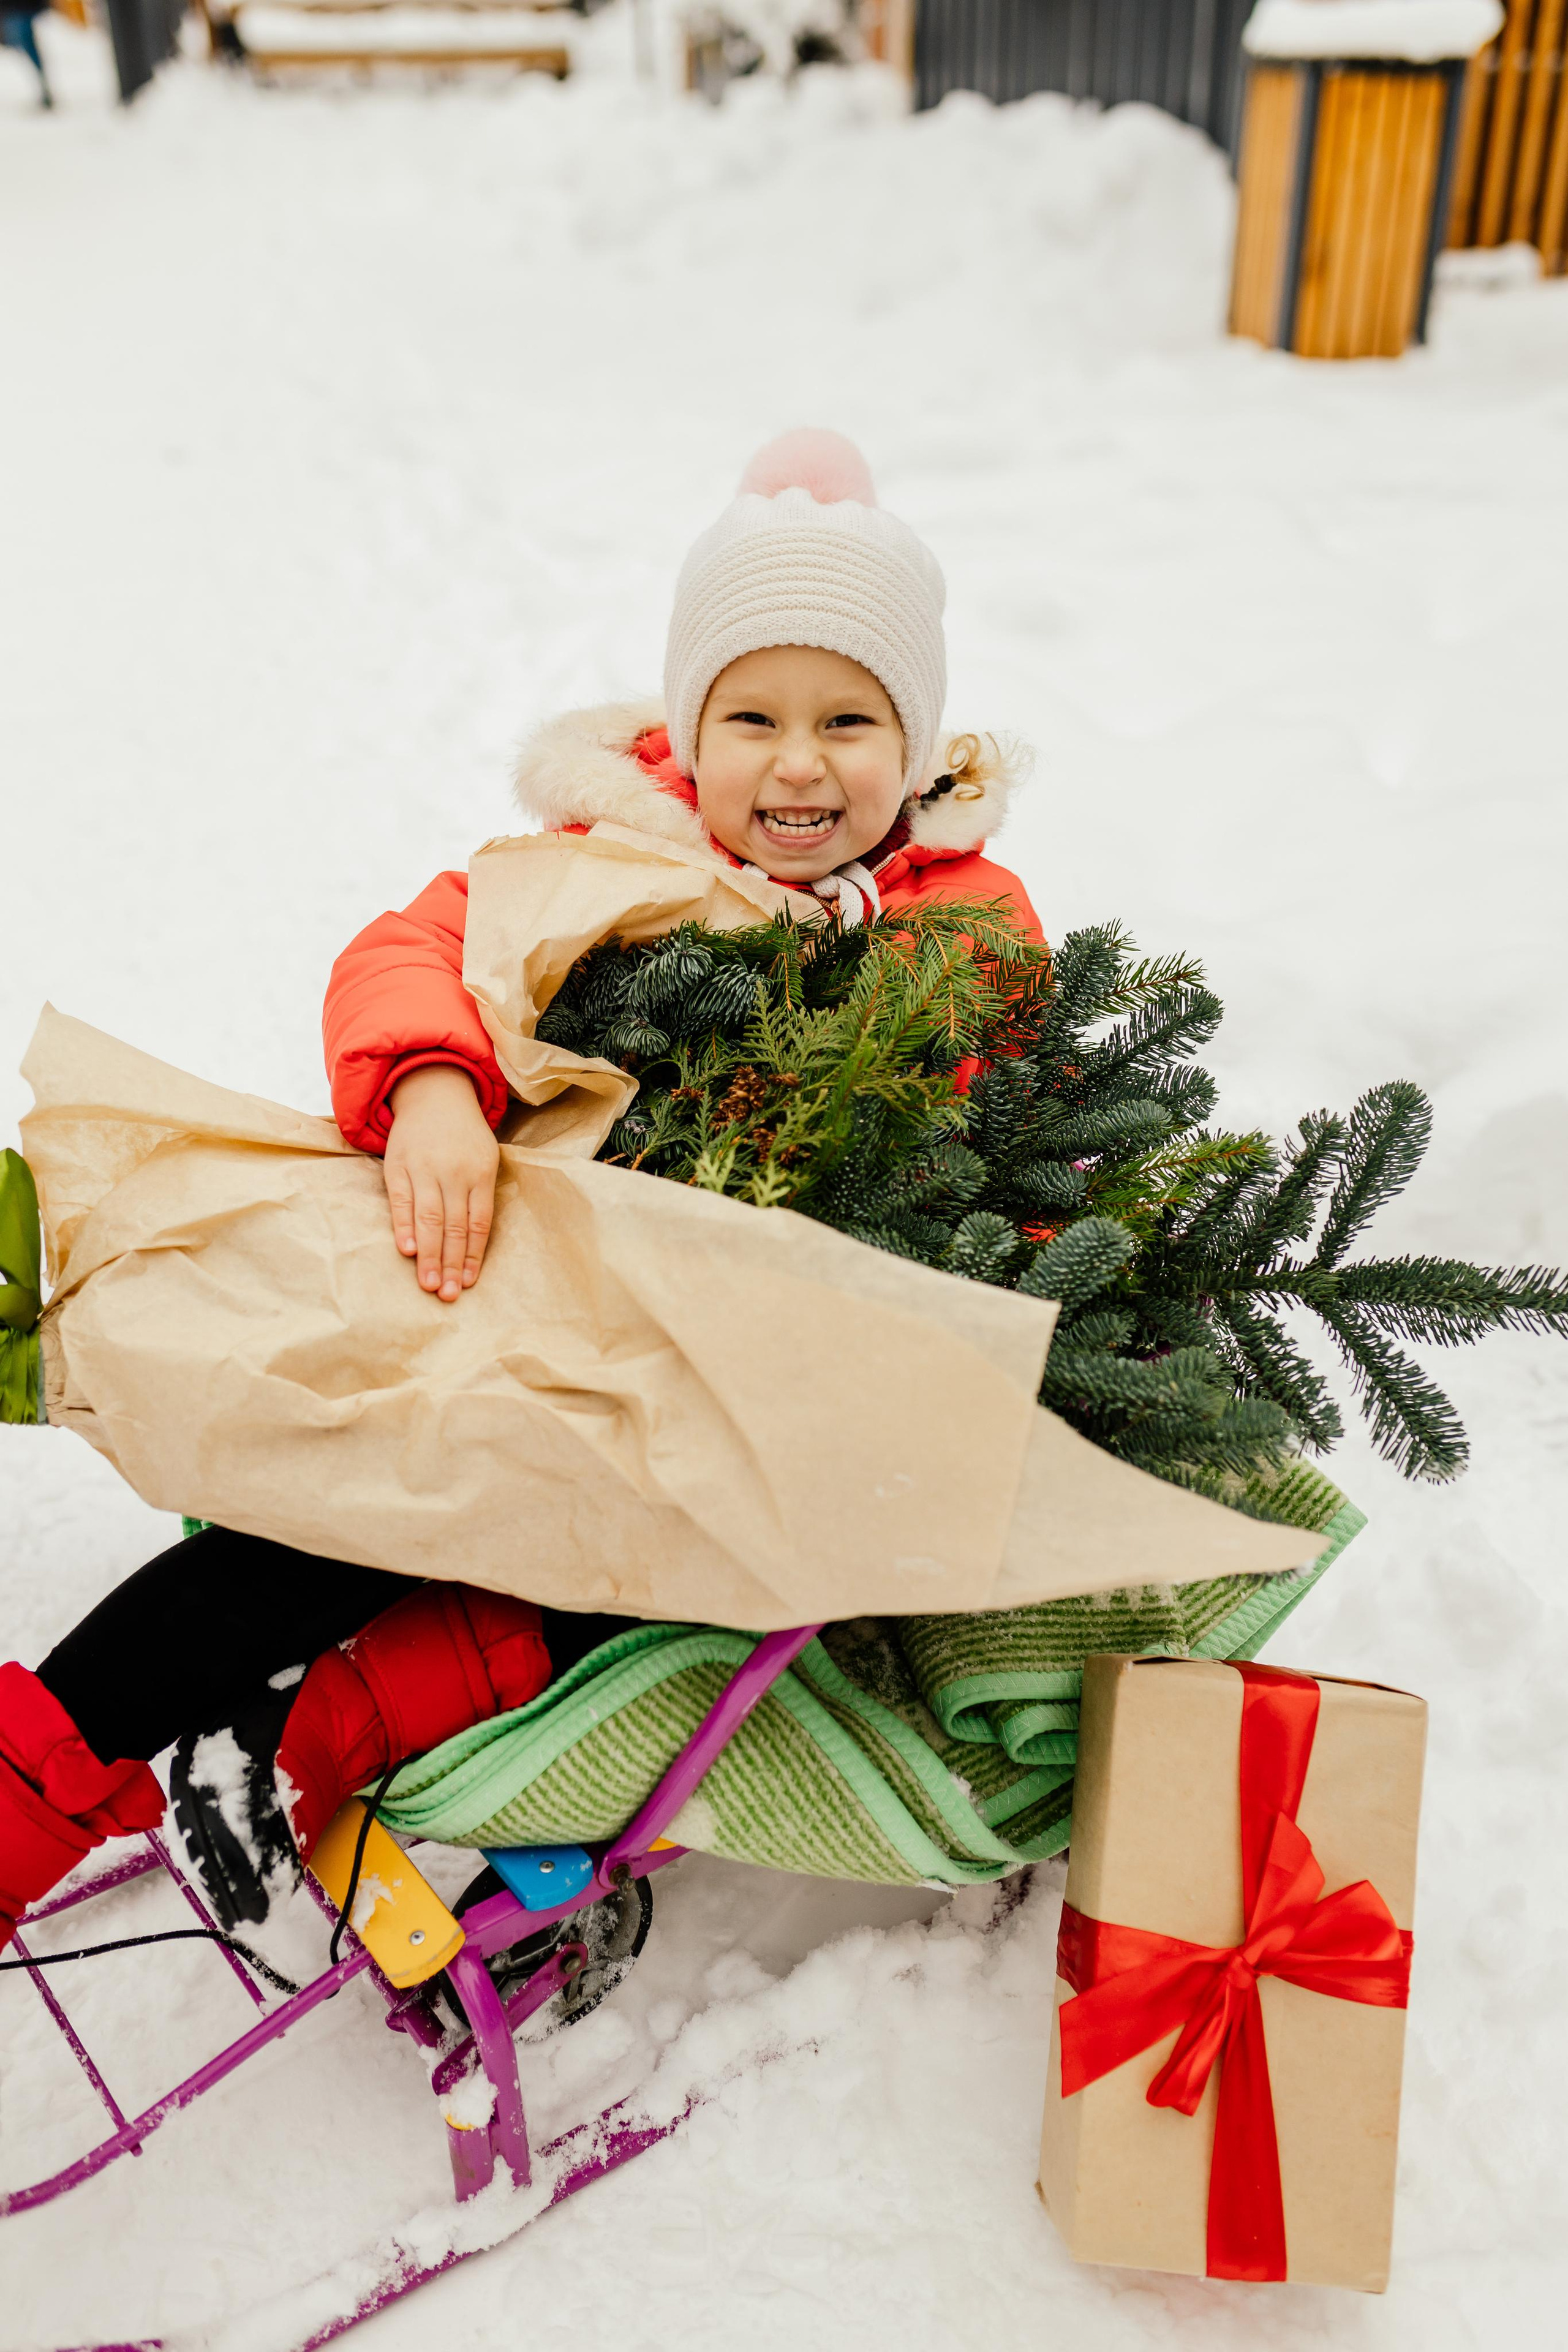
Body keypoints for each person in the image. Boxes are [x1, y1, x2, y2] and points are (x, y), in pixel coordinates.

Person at [0, 430, 1044, 1948]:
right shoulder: (612, 859)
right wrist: (435, 1083)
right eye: (752, 716)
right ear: (688, 730)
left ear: (918, 737)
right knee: (359, 1490)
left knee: (648, 1555)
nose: (798, 763)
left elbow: (1024, 1122)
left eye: (849, 719)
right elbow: (412, 948)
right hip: (524, 1289)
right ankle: (27, 1798)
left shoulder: (963, 925)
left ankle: (308, 1733)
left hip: (727, 1367)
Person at [1, 1, 54, 107]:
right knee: (27, 47)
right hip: (12, 12)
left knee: (29, 47)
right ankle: (42, 85)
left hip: (20, 10)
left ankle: (43, 86)